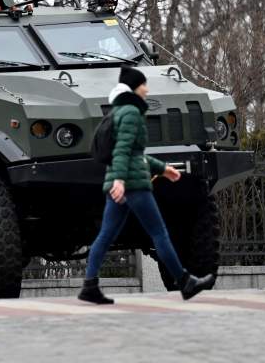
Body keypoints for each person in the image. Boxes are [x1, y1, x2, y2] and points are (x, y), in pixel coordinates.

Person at [79, 66, 215, 304]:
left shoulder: (118, 111)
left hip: (121, 181)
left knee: (105, 235)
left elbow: (134, 153)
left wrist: (163, 169)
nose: (147, 88)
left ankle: (89, 286)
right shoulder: (131, 112)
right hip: (132, 184)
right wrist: (121, 181)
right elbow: (122, 149)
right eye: (143, 84)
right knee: (159, 233)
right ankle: (185, 283)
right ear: (134, 87)